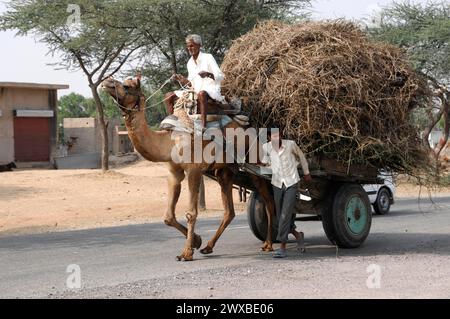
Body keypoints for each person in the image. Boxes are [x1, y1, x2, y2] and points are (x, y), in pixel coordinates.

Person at [262, 130, 312, 258]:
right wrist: (264, 165)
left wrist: (306, 172)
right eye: (273, 136)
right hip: (277, 184)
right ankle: (297, 235)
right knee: (280, 216)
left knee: (285, 214)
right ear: (269, 137)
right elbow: (265, 162)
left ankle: (282, 248)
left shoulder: (290, 144)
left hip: (292, 182)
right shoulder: (266, 147)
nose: (276, 138)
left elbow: (301, 157)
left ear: (281, 136)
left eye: (278, 136)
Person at [164, 34, 226, 129]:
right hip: (195, 90)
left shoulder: (208, 57)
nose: (189, 48)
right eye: (188, 46)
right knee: (168, 96)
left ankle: (203, 125)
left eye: (192, 45)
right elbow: (191, 84)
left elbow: (221, 76)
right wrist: (182, 79)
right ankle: (173, 123)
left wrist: (208, 74)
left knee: (202, 94)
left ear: (199, 45)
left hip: (210, 89)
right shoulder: (190, 63)